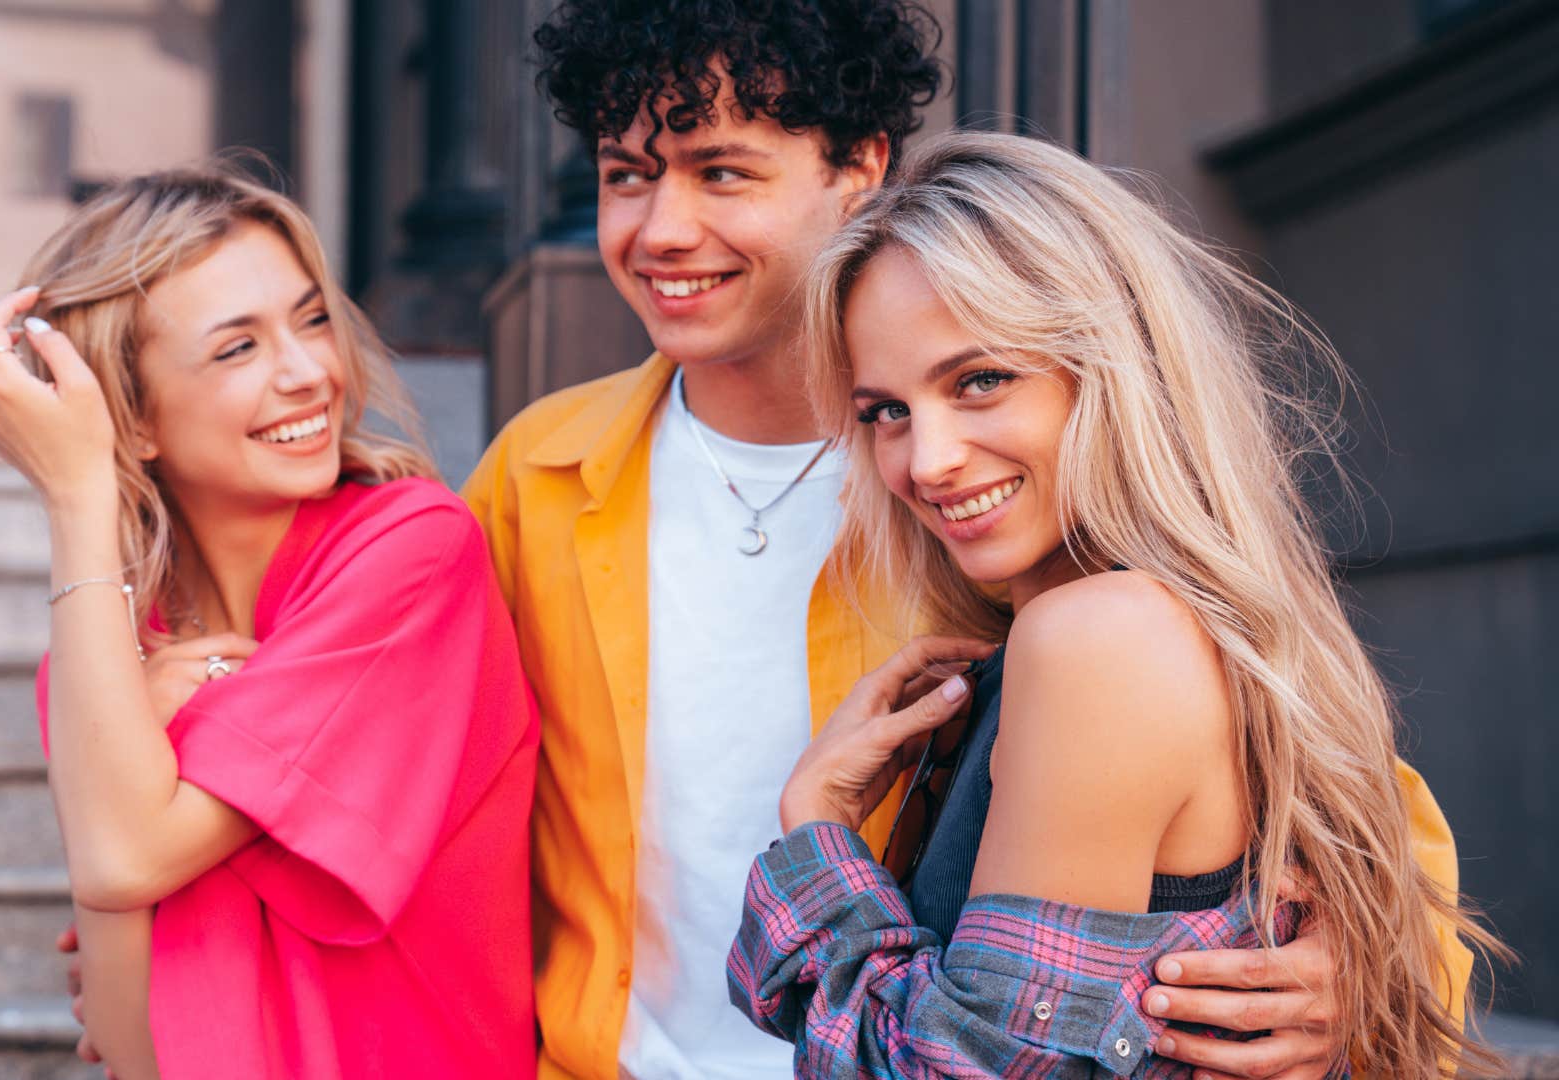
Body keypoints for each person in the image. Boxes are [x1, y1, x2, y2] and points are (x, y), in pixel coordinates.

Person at [464, 3, 1472, 1078]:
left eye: (721, 172)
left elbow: (1338, 808)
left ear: (858, 165)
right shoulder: (534, 475)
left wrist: (1352, 978)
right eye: (625, 174)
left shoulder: (1004, 529)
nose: (660, 228)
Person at [726, 131, 1499, 1079]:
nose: (925, 462)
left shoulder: (1102, 637)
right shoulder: (1139, 631)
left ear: (1112, 368)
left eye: (981, 381)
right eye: (885, 410)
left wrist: (815, 838)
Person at [0, 161, 538, 1079]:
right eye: (237, 349)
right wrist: (81, 498)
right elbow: (126, 1039)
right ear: (131, 420)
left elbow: (124, 861)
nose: (308, 374)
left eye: (309, 321)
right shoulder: (100, 652)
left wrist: (167, 728)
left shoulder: (412, 553)